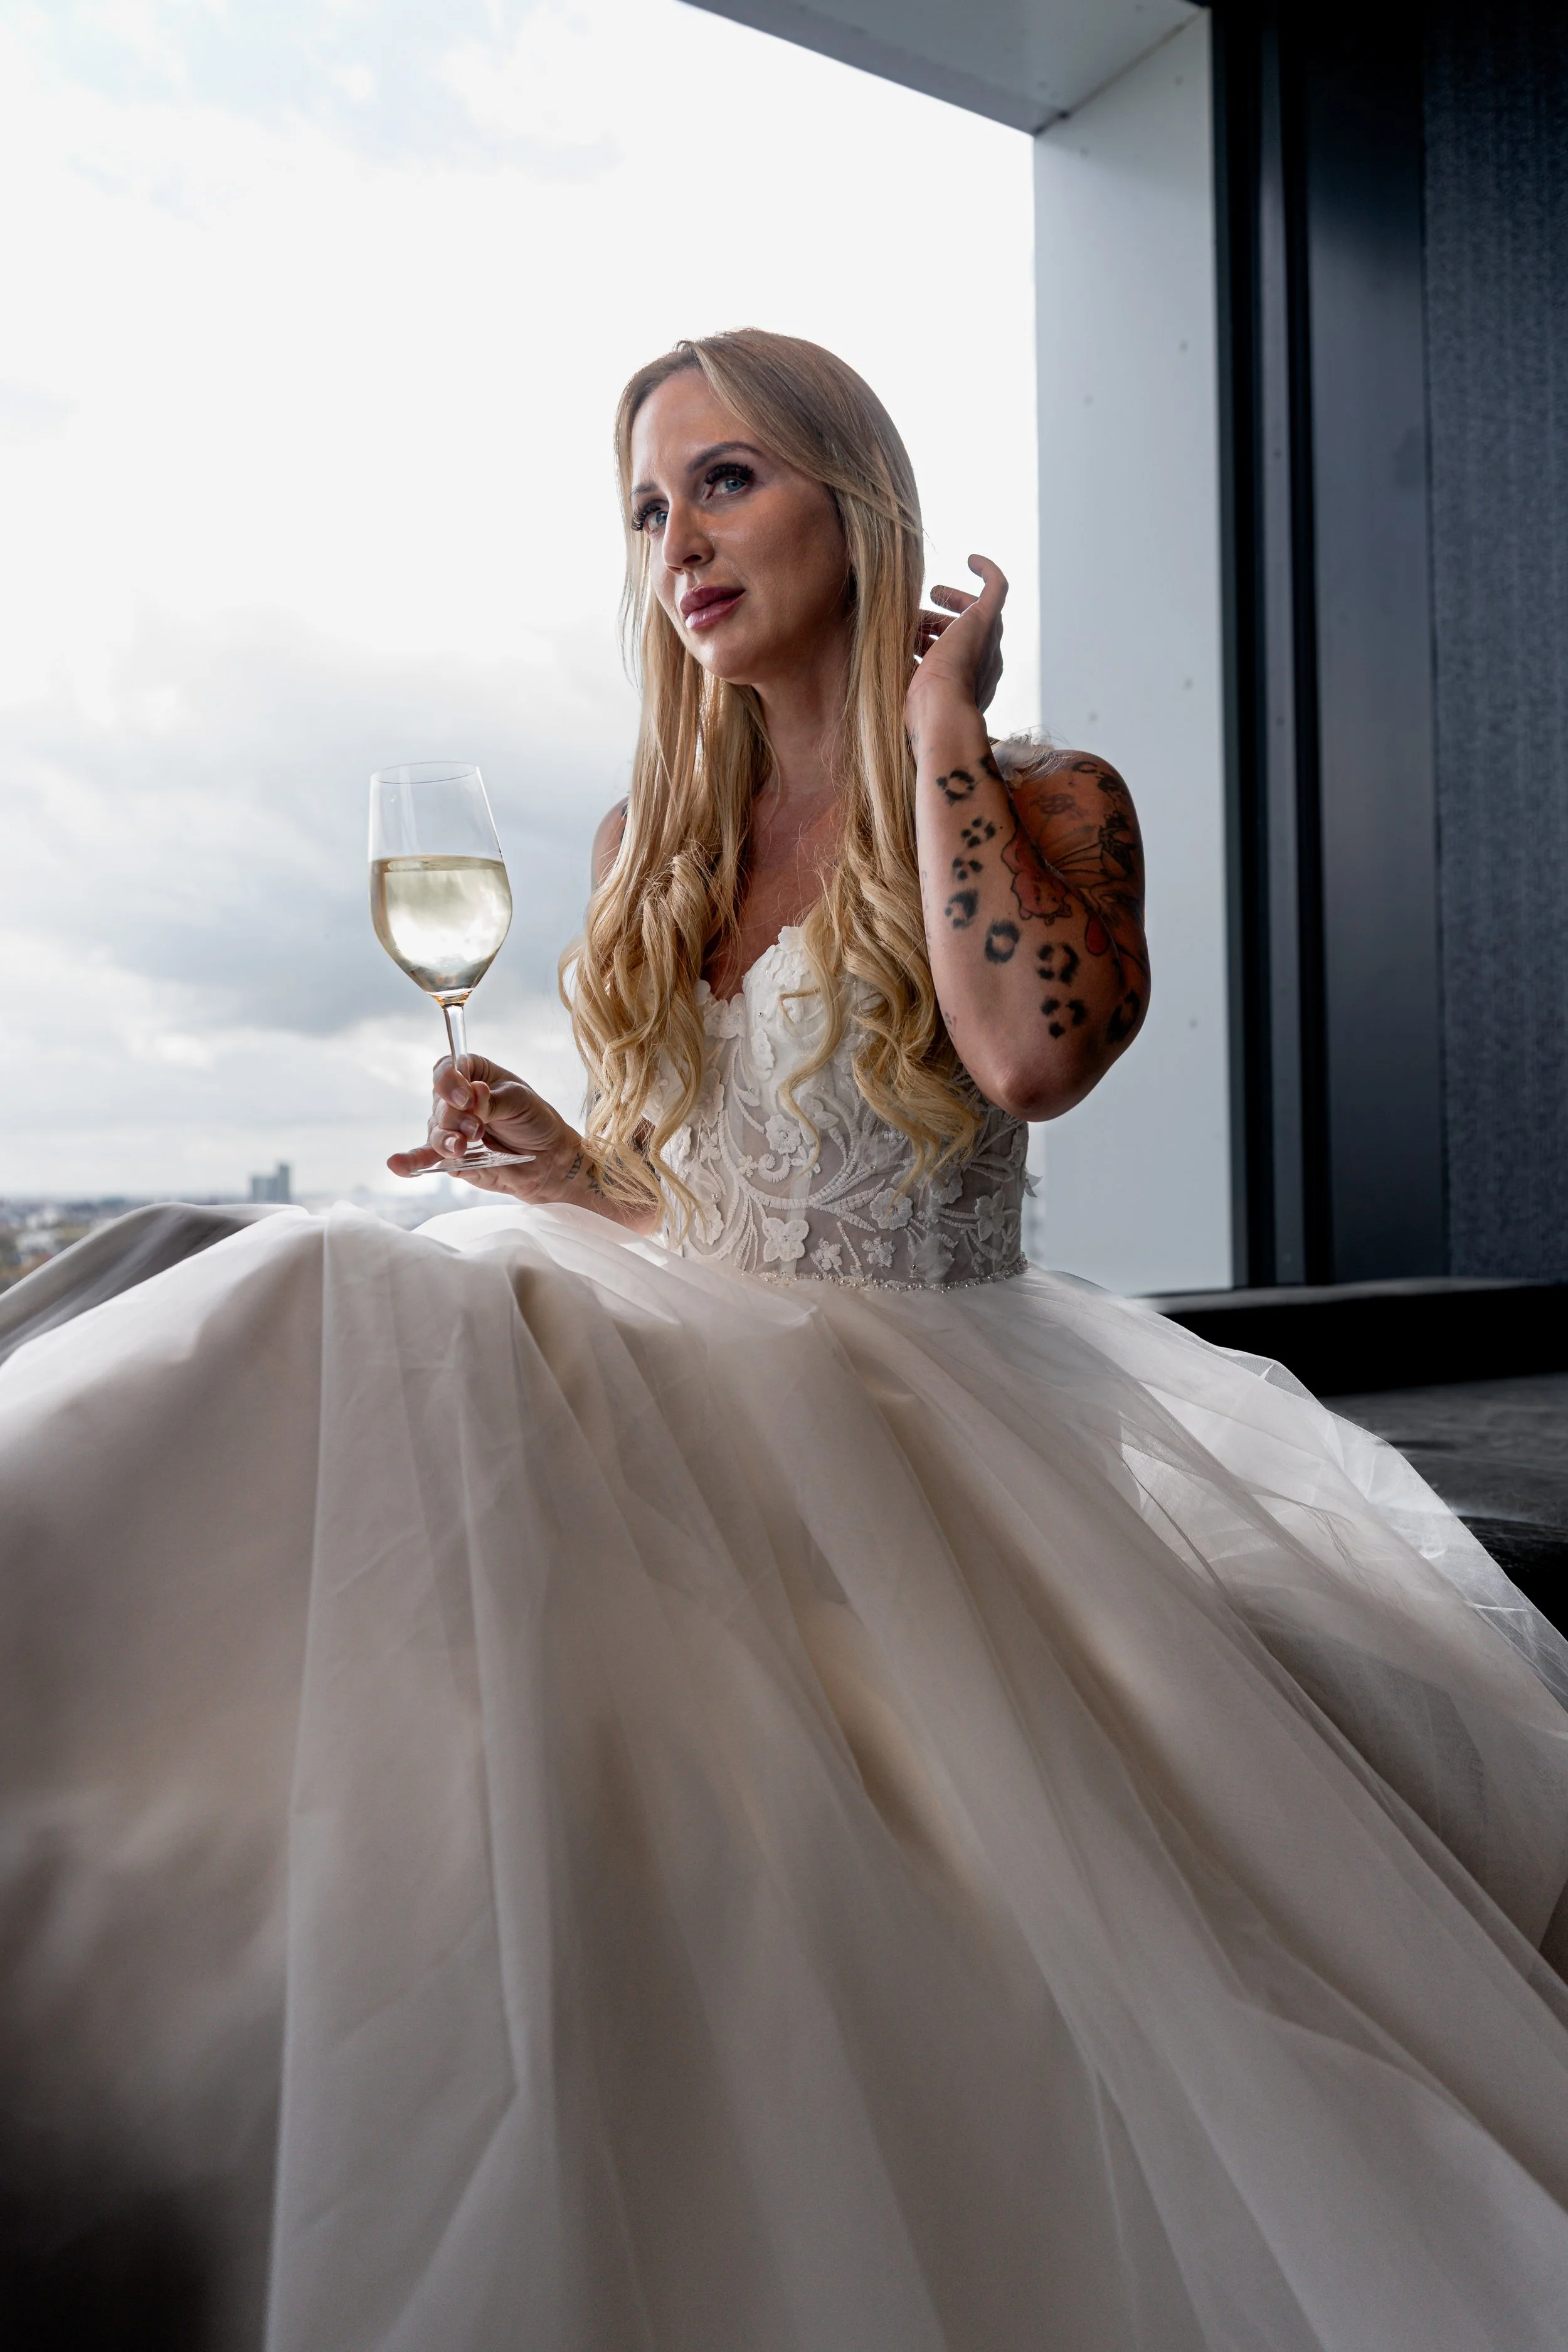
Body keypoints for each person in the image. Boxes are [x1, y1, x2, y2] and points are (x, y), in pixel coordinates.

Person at [3, 330, 1568, 2352]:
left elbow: (1027, 1060)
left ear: (857, 496)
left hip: (920, 1426)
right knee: (287, 1278)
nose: (678, 540)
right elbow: (707, 1204)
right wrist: (571, 1167)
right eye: (647, 508)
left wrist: (935, 723)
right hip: (694, 1373)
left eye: (726, 480)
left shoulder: (1041, 796)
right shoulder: (639, 847)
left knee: (337, 1289)